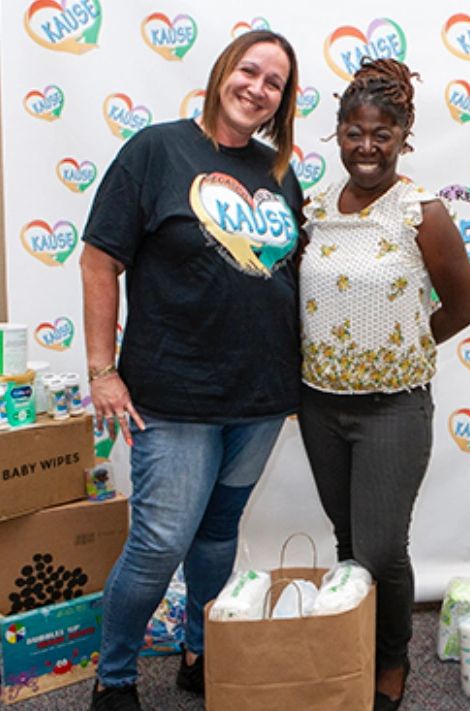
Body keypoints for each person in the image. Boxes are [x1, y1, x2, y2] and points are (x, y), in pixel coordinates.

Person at [80, 30, 303, 711]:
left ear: (281, 103)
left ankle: (200, 653)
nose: (258, 88)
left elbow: (285, 277)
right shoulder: (155, 149)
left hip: (261, 396)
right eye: (250, 70)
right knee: (158, 540)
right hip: (171, 393)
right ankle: (113, 676)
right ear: (221, 72)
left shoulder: (279, 171)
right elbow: (98, 258)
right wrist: (100, 369)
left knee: (217, 530)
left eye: (274, 83)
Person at [297, 58, 470, 710]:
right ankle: (354, 642)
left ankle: (390, 656)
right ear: (337, 134)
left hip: (393, 407)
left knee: (381, 545)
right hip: (319, 404)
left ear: (403, 136)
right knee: (349, 544)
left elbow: (462, 306)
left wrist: (401, 346)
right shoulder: (313, 208)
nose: (366, 147)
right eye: (354, 132)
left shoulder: (420, 210)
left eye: (382, 134)